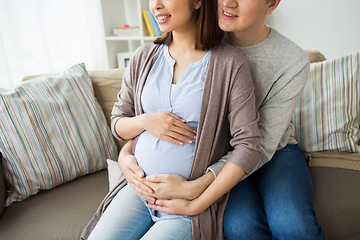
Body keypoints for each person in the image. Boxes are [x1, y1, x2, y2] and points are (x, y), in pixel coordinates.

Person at [118, 0, 327, 239]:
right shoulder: (197, 37)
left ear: (271, 4)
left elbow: (259, 145)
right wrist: (126, 153)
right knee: (241, 226)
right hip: (218, 151)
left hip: (272, 150)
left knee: (292, 224)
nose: (228, 2)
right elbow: (158, 110)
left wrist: (197, 188)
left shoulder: (290, 60)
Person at [81, 0, 261, 239]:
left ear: (197, 2)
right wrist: (145, 122)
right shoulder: (143, 57)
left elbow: (248, 146)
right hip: (137, 191)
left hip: (183, 207)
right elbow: (118, 123)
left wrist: (195, 202)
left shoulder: (229, 63)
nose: (155, 5)